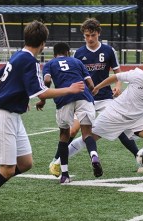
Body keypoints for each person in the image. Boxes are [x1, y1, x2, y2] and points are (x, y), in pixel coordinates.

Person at [0, 21, 85, 220]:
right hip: (4, 116)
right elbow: (42, 92)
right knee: (7, 169)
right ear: (43, 43)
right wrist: (70, 89)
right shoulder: (29, 60)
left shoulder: (19, 55)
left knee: (26, 163)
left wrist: (17, 95)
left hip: (12, 114)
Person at [49, 17, 140, 177]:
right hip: (85, 98)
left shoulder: (108, 50)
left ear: (98, 33)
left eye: (93, 35)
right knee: (72, 131)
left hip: (105, 98)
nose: (90, 38)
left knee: (119, 127)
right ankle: (56, 161)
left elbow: (118, 72)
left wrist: (118, 86)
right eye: (87, 35)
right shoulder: (79, 53)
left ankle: (139, 157)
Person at [36, 42, 102, 183]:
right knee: (87, 134)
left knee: (64, 135)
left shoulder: (50, 63)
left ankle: (65, 174)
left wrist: (43, 100)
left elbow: (47, 80)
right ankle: (94, 156)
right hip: (83, 95)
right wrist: (91, 94)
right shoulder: (77, 61)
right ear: (68, 52)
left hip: (63, 98)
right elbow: (90, 84)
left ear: (55, 54)